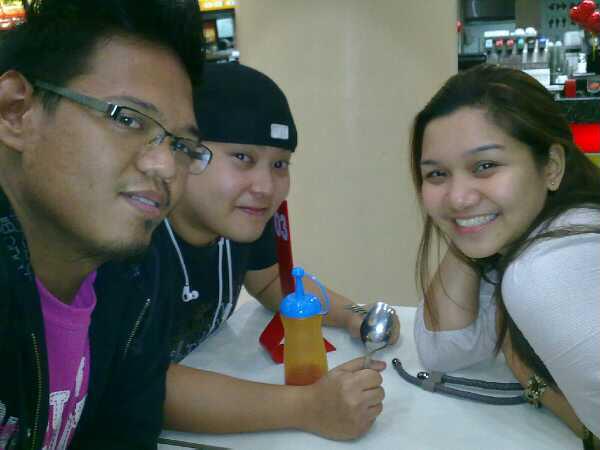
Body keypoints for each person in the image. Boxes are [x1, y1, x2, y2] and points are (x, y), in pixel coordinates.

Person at [0, 0, 209, 448]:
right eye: (127, 119)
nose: (165, 167)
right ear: (15, 110)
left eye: (181, 146)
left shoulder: (136, 275)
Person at [156, 63, 398, 440]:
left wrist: (355, 314)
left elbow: (272, 282)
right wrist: (308, 407)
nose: (266, 187)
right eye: (243, 158)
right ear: (184, 153)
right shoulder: (133, 238)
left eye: (280, 164)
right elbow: (140, 382)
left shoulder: (237, 220)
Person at [410, 64, 600, 447]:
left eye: (485, 166)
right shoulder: (533, 232)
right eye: (437, 174)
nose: (457, 196)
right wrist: (470, 223)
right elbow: (443, 352)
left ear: (551, 167)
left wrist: (535, 385)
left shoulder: (544, 269)